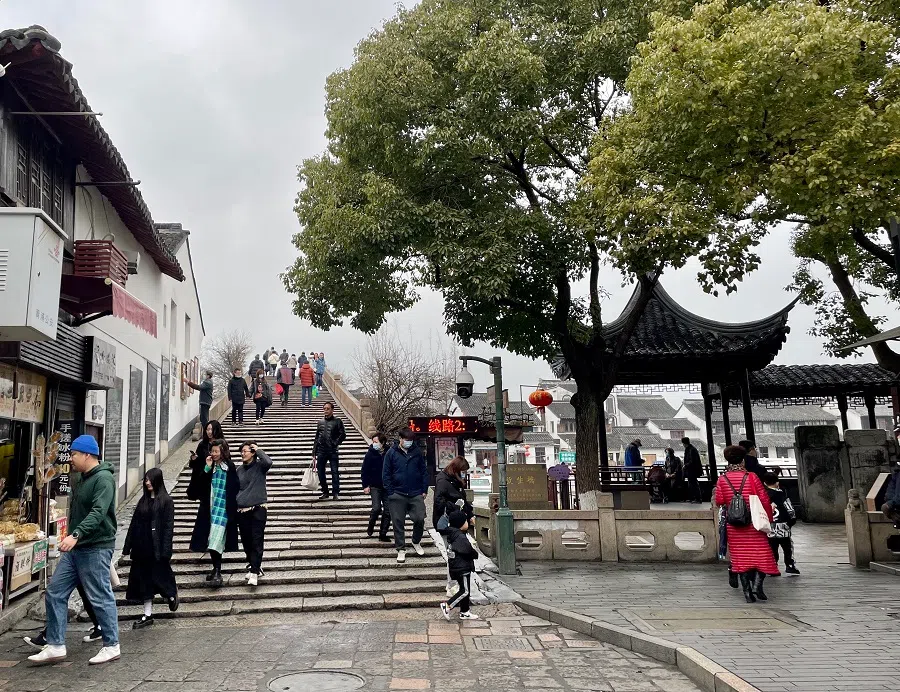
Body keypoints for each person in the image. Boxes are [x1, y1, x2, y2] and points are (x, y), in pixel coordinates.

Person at [28, 435, 120, 665]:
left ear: (87, 455)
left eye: (75, 454)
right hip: (76, 549)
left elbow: (99, 513)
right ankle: (56, 645)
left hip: (95, 547)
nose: (72, 459)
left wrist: (75, 535)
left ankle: (112, 645)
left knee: (100, 597)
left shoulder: (103, 479)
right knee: (55, 592)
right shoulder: (80, 478)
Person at [714, 444, 779, 603]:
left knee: (741, 559)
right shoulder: (752, 477)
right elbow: (764, 499)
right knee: (762, 556)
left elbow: (720, 501)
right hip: (754, 523)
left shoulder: (722, 479)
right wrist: (768, 519)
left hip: (734, 525)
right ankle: (757, 586)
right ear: (743, 461)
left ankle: (748, 593)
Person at [122, 468, 178, 629]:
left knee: (160, 576)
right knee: (144, 582)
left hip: (157, 549)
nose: (147, 483)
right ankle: (147, 614)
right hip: (142, 548)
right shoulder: (143, 501)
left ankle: (171, 594)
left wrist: (166, 550)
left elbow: (168, 527)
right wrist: (128, 546)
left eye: (150, 479)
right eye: (145, 480)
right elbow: (134, 524)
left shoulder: (166, 501)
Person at [188, 439, 239, 587]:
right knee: (211, 540)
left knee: (216, 539)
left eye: (217, 451)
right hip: (209, 508)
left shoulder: (229, 466)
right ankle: (216, 569)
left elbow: (235, 486)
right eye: (212, 451)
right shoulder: (210, 466)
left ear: (223, 452)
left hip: (223, 509)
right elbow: (199, 485)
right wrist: (206, 468)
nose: (214, 454)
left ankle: (217, 571)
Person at [383, 428, 428, 564]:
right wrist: (390, 492)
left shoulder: (417, 452)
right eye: (406, 440)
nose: (409, 443)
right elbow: (386, 474)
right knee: (398, 522)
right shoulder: (391, 453)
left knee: (420, 518)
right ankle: (401, 549)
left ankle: (416, 541)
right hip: (397, 493)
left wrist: (424, 489)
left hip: (415, 493)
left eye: (410, 440)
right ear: (400, 439)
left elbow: (424, 471)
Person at [434, 456, 474, 594]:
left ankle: (452, 583)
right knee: (453, 553)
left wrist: (470, 514)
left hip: (457, 522)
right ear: (457, 469)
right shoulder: (443, 481)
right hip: (449, 524)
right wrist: (456, 509)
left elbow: (463, 499)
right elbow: (439, 502)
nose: (464, 474)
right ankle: (452, 584)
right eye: (463, 471)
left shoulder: (455, 481)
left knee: (455, 552)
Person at [236, 441, 273, 586]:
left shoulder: (260, 467)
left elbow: (268, 462)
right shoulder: (239, 470)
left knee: (257, 539)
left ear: (252, 453)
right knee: (246, 541)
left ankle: (255, 571)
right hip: (242, 509)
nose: (243, 454)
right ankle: (254, 565)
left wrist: (258, 450)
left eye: (246, 451)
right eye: (242, 451)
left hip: (258, 508)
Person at [439, 510, 480, 621]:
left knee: (465, 590)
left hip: (458, 566)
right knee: (465, 591)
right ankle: (447, 605)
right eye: (466, 521)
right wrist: (474, 553)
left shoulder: (453, 534)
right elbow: (466, 550)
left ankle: (465, 612)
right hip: (462, 567)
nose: (467, 523)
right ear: (461, 524)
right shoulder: (459, 536)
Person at [763, 472, 799, 575]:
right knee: (787, 547)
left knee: (772, 548)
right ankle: (790, 565)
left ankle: (773, 567)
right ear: (777, 482)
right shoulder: (782, 494)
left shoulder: (763, 496)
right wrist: (792, 521)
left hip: (769, 526)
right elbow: (790, 509)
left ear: (765, 483)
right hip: (783, 526)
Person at [361, 432, 391, 541]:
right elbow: (364, 470)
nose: (374, 444)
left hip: (387, 487)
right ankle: (371, 524)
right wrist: (365, 485)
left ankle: (383, 533)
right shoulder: (370, 453)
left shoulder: (390, 453)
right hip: (375, 486)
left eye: (376, 442)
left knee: (388, 511)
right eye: (373, 442)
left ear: (382, 442)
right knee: (376, 508)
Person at [313, 402, 347, 500]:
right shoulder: (320, 422)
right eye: (324, 409)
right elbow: (317, 437)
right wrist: (314, 451)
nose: (326, 410)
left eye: (328, 409)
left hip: (332, 450)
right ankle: (325, 492)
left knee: (334, 472)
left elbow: (343, 434)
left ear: (332, 410)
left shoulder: (337, 421)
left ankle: (335, 492)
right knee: (320, 472)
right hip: (321, 450)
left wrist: (335, 443)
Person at [682, 437, 703, 504]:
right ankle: (693, 498)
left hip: (692, 470)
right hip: (691, 470)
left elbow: (692, 461)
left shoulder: (691, 450)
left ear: (684, 443)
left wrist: (685, 465)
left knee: (693, 484)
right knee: (691, 484)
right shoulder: (691, 449)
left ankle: (698, 498)